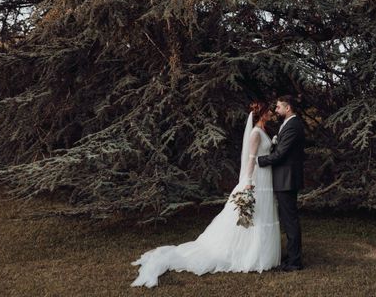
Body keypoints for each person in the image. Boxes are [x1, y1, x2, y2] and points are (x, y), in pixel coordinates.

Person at [130, 102, 280, 288]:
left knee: (262, 216)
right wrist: (248, 181)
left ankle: (262, 255)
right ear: (262, 114)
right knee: (252, 217)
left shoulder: (263, 130)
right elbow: (251, 159)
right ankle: (250, 255)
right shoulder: (256, 133)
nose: (272, 113)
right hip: (257, 179)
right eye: (269, 111)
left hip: (266, 178)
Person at [257, 94, 305, 271]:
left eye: (278, 107)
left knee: (290, 219)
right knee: (288, 218)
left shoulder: (293, 125)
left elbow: (281, 154)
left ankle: (295, 262)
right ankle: (292, 255)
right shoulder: (288, 124)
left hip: (287, 178)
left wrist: (260, 161)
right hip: (285, 177)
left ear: (288, 107)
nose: (276, 110)